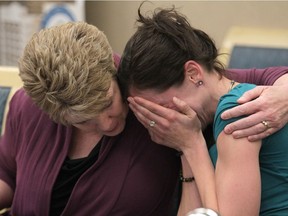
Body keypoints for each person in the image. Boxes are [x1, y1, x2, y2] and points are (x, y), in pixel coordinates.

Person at [117, 4, 288, 215]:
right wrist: (185, 147)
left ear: (193, 73)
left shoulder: (236, 110)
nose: (164, 120)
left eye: (161, 108)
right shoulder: (204, 123)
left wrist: (192, 146)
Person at [0, 21, 181, 215]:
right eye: (84, 121)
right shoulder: (28, 108)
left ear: (112, 69)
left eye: (108, 103)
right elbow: (7, 175)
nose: (107, 124)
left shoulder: (159, 101)